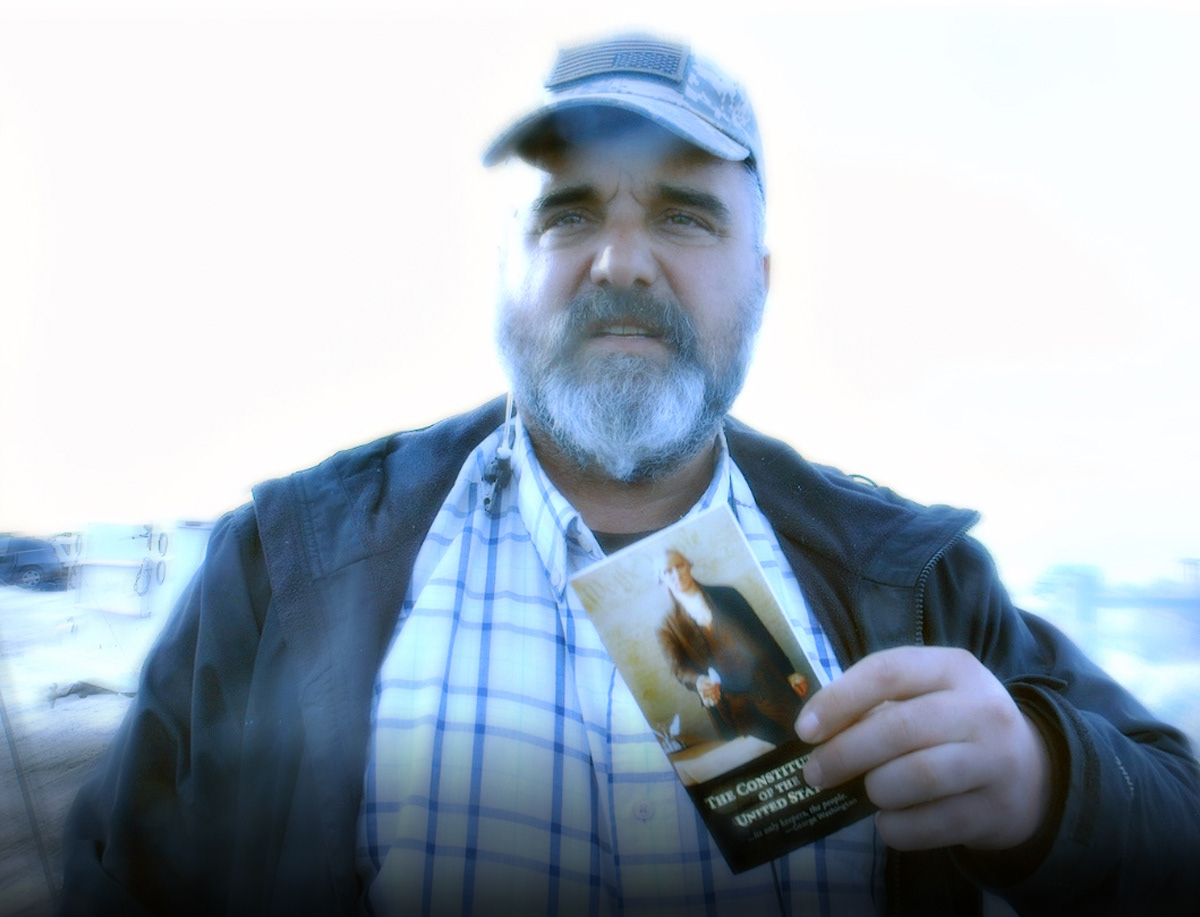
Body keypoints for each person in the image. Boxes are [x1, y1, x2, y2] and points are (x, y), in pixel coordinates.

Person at [60, 32, 1198, 917]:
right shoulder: (282, 569)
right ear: (505, 268)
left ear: (762, 277)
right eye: (567, 214)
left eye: (685, 214)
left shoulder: (916, 582)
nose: (620, 259)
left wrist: (1048, 786)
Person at [657, 548, 808, 745]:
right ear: (661, 579)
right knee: (760, 755)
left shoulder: (727, 595)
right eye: (668, 571)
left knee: (803, 735)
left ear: (689, 566)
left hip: (768, 684)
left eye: (680, 566)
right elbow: (679, 669)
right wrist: (699, 681)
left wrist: (789, 672)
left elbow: (761, 634)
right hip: (729, 706)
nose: (676, 574)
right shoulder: (666, 626)